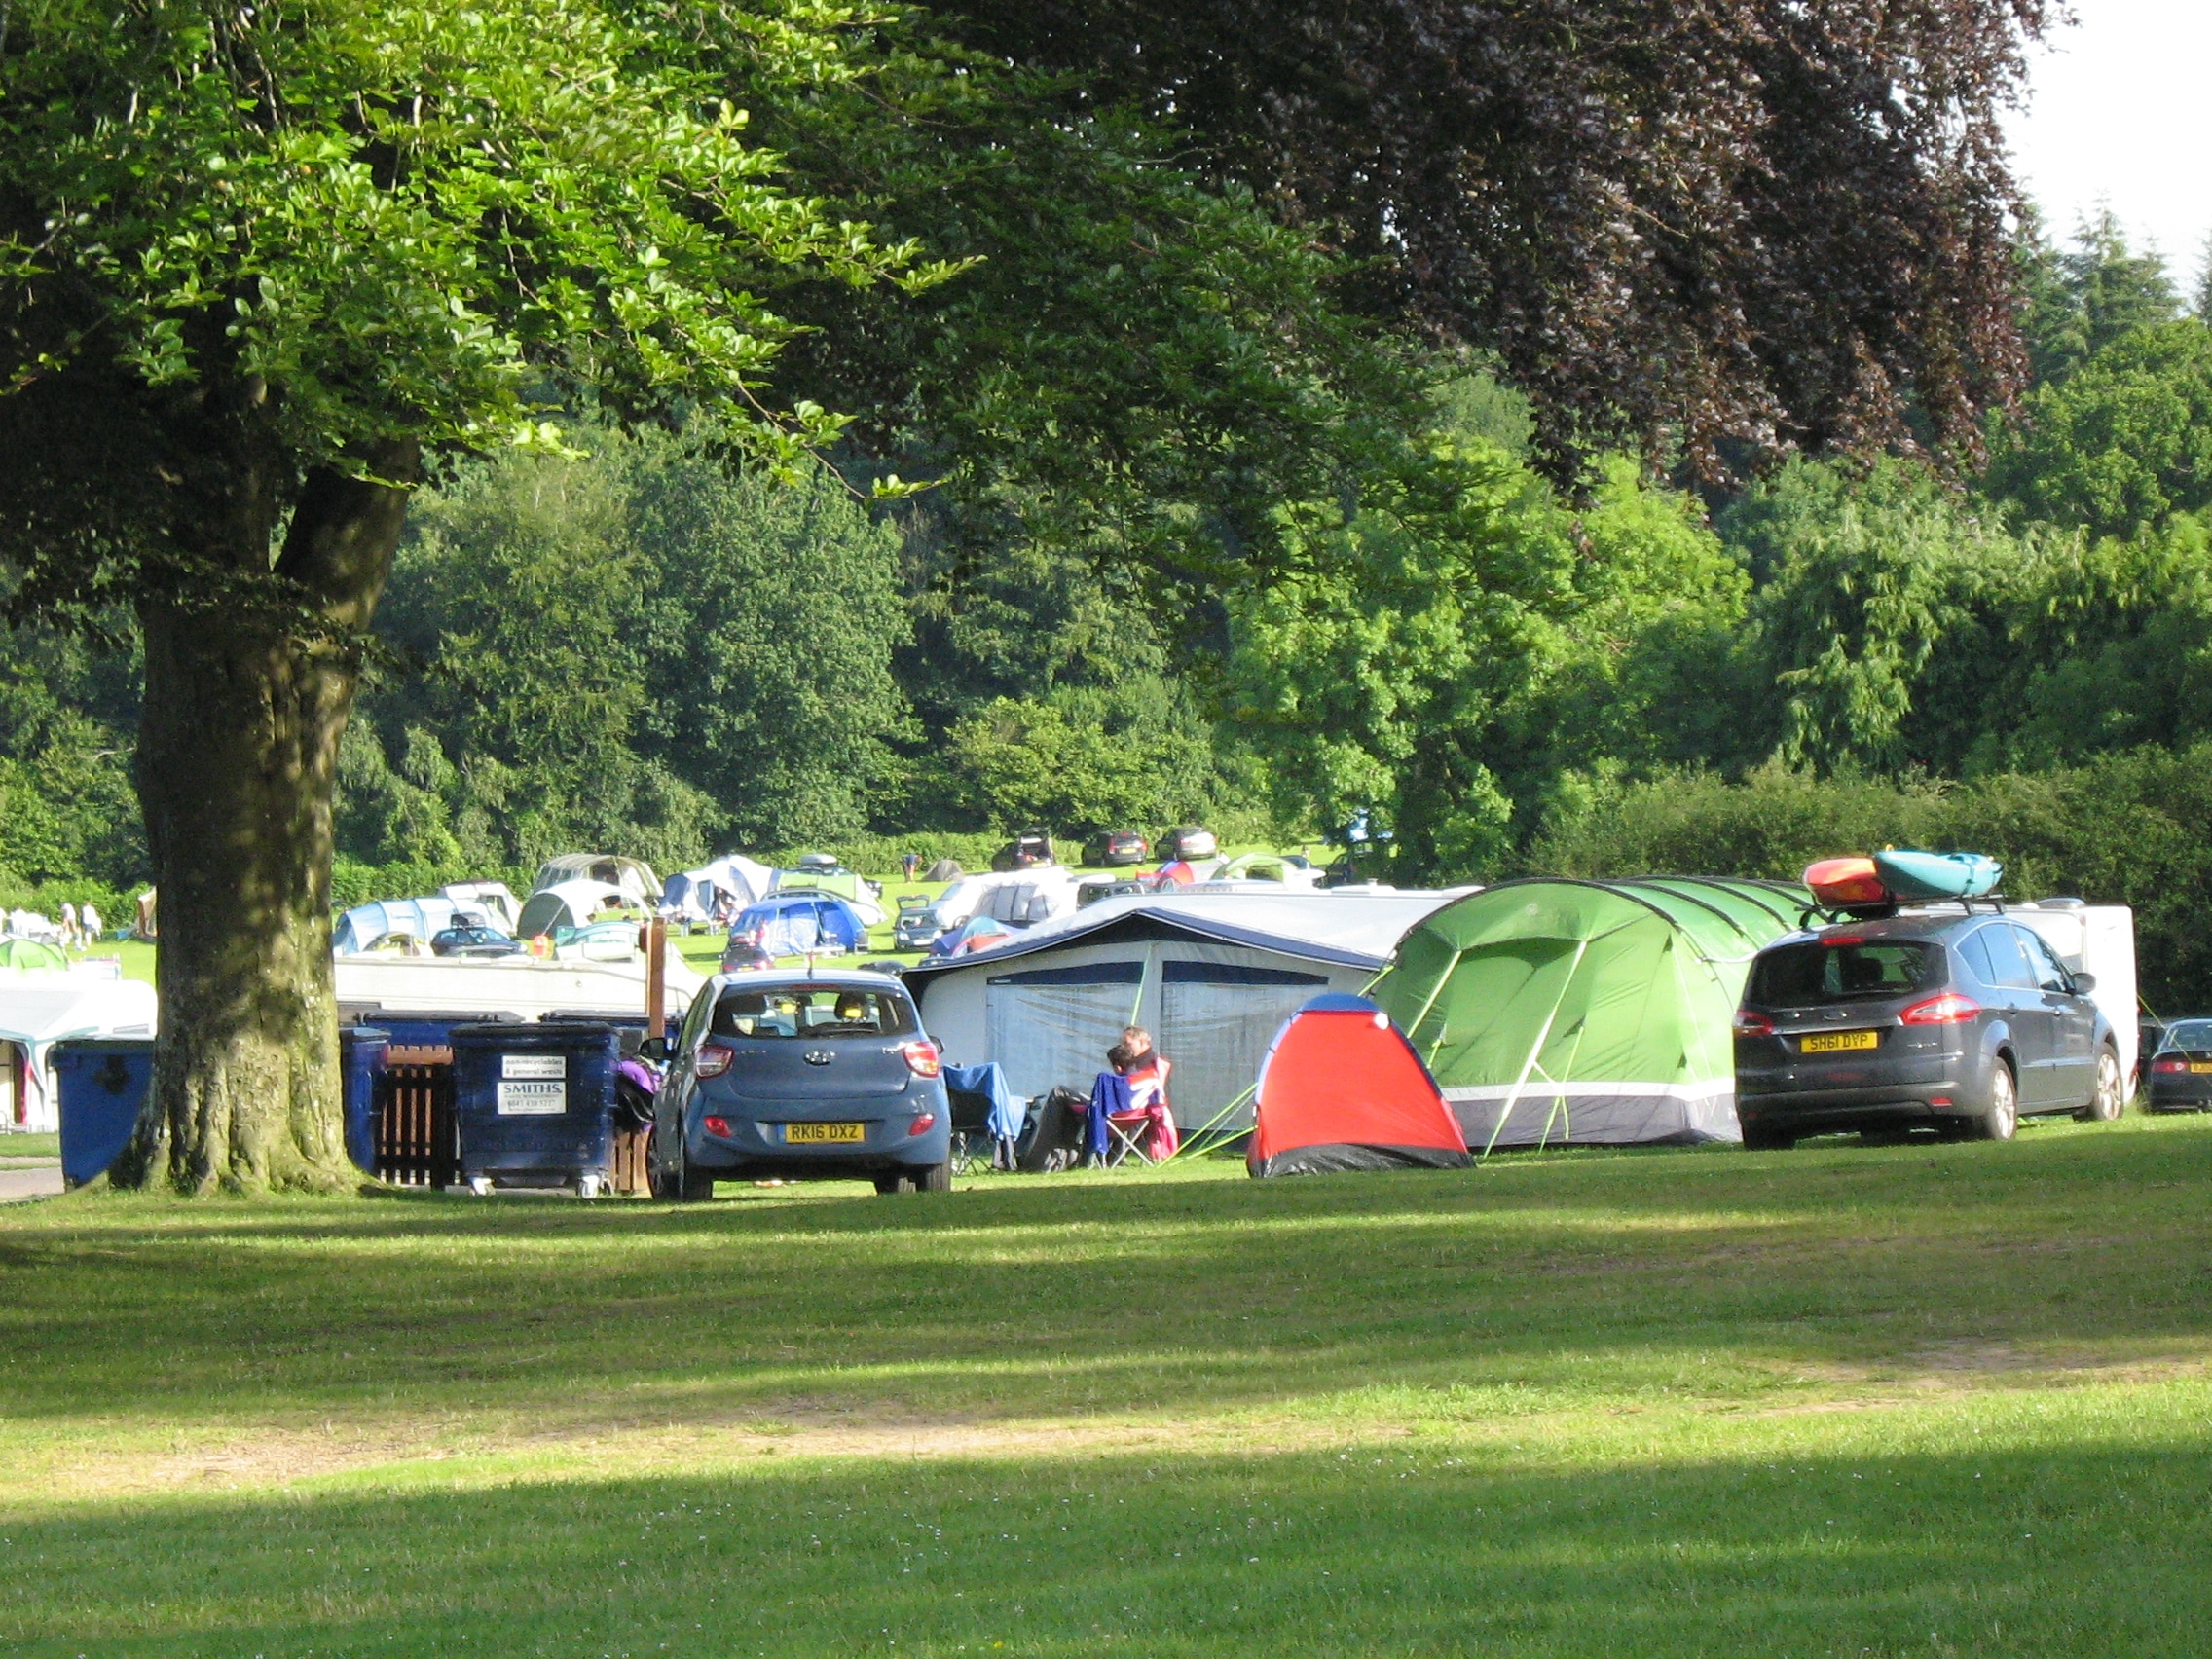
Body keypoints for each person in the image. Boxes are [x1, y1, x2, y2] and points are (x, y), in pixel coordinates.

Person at [1121, 1025, 1178, 1159]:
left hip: (1132, 1111)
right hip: (1137, 1109)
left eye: (1128, 1044)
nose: (1124, 1047)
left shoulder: (1146, 1064)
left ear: (1142, 1042)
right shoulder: (1136, 1062)